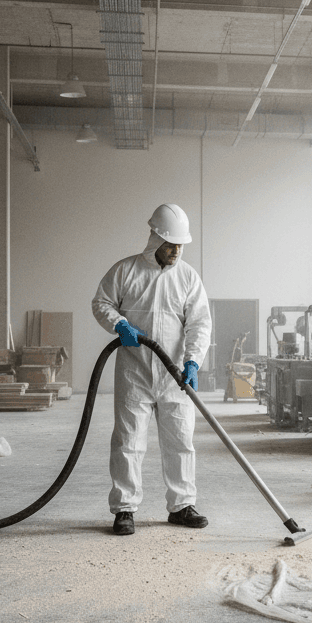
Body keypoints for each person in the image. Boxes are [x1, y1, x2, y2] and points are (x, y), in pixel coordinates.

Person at [92, 203, 212, 536]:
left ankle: (182, 506)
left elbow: (200, 323)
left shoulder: (188, 277)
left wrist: (193, 361)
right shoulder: (125, 271)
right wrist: (119, 324)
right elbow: (101, 302)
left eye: (180, 245)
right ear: (155, 238)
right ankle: (125, 508)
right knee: (128, 441)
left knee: (181, 441)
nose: (176, 251)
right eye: (170, 244)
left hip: (174, 374)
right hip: (135, 372)